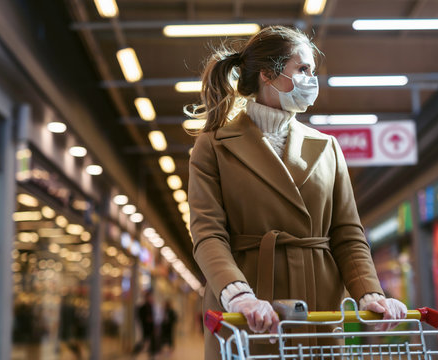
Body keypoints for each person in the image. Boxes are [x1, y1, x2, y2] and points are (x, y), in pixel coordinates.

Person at [186, 25, 408, 359]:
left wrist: (369, 293)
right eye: (302, 69)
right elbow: (208, 233)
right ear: (268, 75)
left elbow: (347, 233)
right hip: (250, 309)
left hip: (318, 306)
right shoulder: (213, 146)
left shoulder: (328, 147)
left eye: (312, 71)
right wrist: (238, 294)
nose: (310, 79)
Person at [132, 290, 157, 358]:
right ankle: (137, 351)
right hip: (145, 327)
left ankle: (151, 354)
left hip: (150, 327)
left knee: (150, 341)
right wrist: (146, 320)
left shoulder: (151, 306)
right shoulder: (142, 307)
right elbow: (140, 317)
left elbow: (153, 317)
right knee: (144, 341)